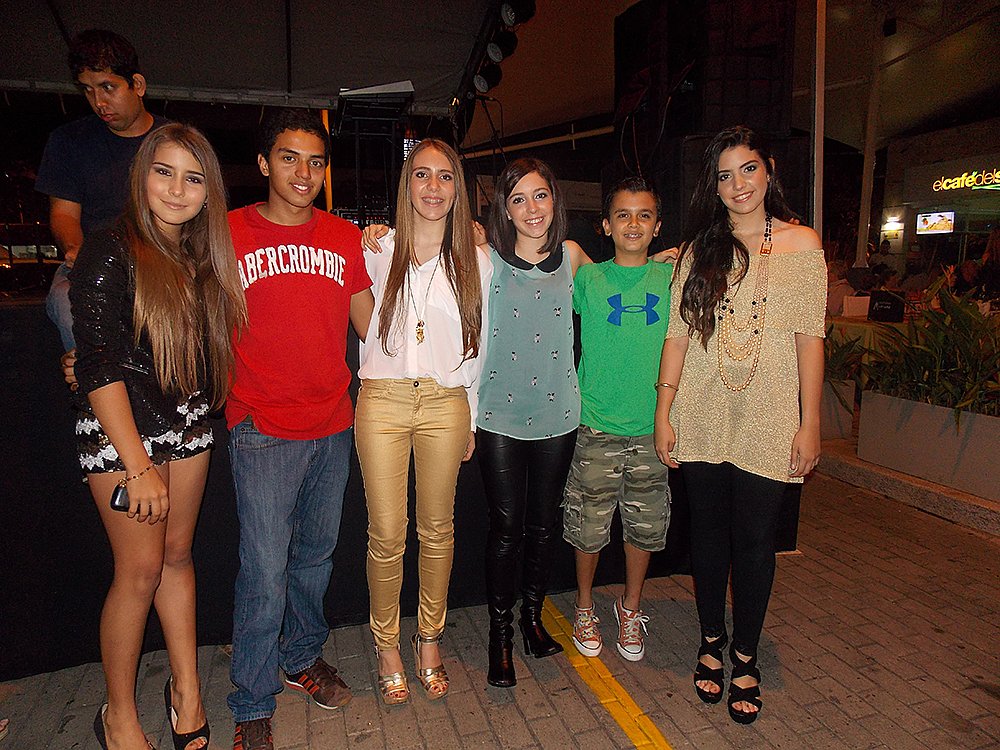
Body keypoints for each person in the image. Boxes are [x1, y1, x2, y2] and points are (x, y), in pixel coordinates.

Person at [70, 123, 246, 750]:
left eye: (193, 178)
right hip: (125, 435)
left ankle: (186, 691)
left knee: (176, 557)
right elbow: (96, 366)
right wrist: (139, 465)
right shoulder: (110, 249)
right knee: (139, 572)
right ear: (141, 174)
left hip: (189, 423)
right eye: (164, 172)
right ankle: (118, 717)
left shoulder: (201, 256)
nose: (177, 189)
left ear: (208, 191)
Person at [653, 126, 825, 725]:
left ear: (769, 170)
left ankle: (745, 654)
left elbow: (810, 338)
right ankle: (710, 640)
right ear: (714, 185)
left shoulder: (801, 244)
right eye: (725, 175)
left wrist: (810, 422)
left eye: (748, 169)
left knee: (755, 541)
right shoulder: (699, 250)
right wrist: (663, 411)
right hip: (701, 408)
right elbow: (677, 336)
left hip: (770, 413)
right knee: (707, 537)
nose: (738, 185)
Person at [226, 108, 374, 750]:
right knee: (263, 572)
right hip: (262, 427)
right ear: (264, 163)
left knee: (314, 558)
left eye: (316, 162)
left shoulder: (343, 237)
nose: (304, 173)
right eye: (289, 158)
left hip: (332, 424)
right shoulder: (228, 232)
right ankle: (251, 702)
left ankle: (301, 657)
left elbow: (373, 327)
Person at [356, 139, 491, 704]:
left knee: (438, 530)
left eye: (445, 176)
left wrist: (472, 417)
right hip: (382, 401)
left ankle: (429, 638)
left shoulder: (478, 260)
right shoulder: (376, 249)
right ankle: (386, 644)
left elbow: (481, 345)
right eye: (422, 175)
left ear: (458, 188)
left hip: (446, 402)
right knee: (387, 533)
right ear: (406, 183)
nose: (433, 187)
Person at [476, 158, 592, 687]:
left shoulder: (572, 256)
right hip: (499, 415)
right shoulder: (487, 259)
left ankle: (531, 620)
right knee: (506, 529)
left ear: (555, 199)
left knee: (544, 526)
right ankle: (500, 636)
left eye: (539, 195)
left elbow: (620, 278)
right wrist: (377, 235)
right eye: (518, 199)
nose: (531, 208)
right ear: (505, 209)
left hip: (558, 414)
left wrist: (661, 259)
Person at [563, 177, 673, 663]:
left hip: (652, 430)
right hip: (595, 426)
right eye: (622, 215)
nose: (633, 224)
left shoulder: (672, 280)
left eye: (644, 215)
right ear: (606, 226)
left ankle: (631, 608)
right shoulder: (588, 280)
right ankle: (585, 607)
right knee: (588, 527)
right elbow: (555, 257)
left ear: (657, 226)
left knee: (643, 528)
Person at [36, 29, 167, 355]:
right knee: (68, 302)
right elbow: (64, 214)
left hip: (159, 265)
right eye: (88, 90)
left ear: (138, 85)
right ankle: (96, 382)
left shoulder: (171, 141)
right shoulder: (68, 141)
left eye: (108, 87)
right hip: (94, 262)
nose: (99, 102)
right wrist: (78, 252)